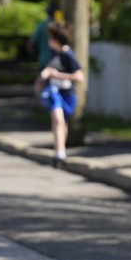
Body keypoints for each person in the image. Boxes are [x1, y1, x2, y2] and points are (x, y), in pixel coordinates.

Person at [34, 21, 84, 168]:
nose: (48, 40)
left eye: (50, 37)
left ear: (56, 39)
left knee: (62, 122)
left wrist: (57, 75)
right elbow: (49, 69)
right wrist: (41, 79)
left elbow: (79, 77)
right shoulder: (53, 52)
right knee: (58, 119)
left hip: (68, 93)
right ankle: (59, 153)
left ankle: (61, 152)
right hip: (54, 92)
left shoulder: (68, 55)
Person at [27, 2, 58, 72]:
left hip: (44, 60)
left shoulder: (41, 26)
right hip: (58, 62)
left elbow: (31, 43)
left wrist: (32, 56)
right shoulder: (60, 25)